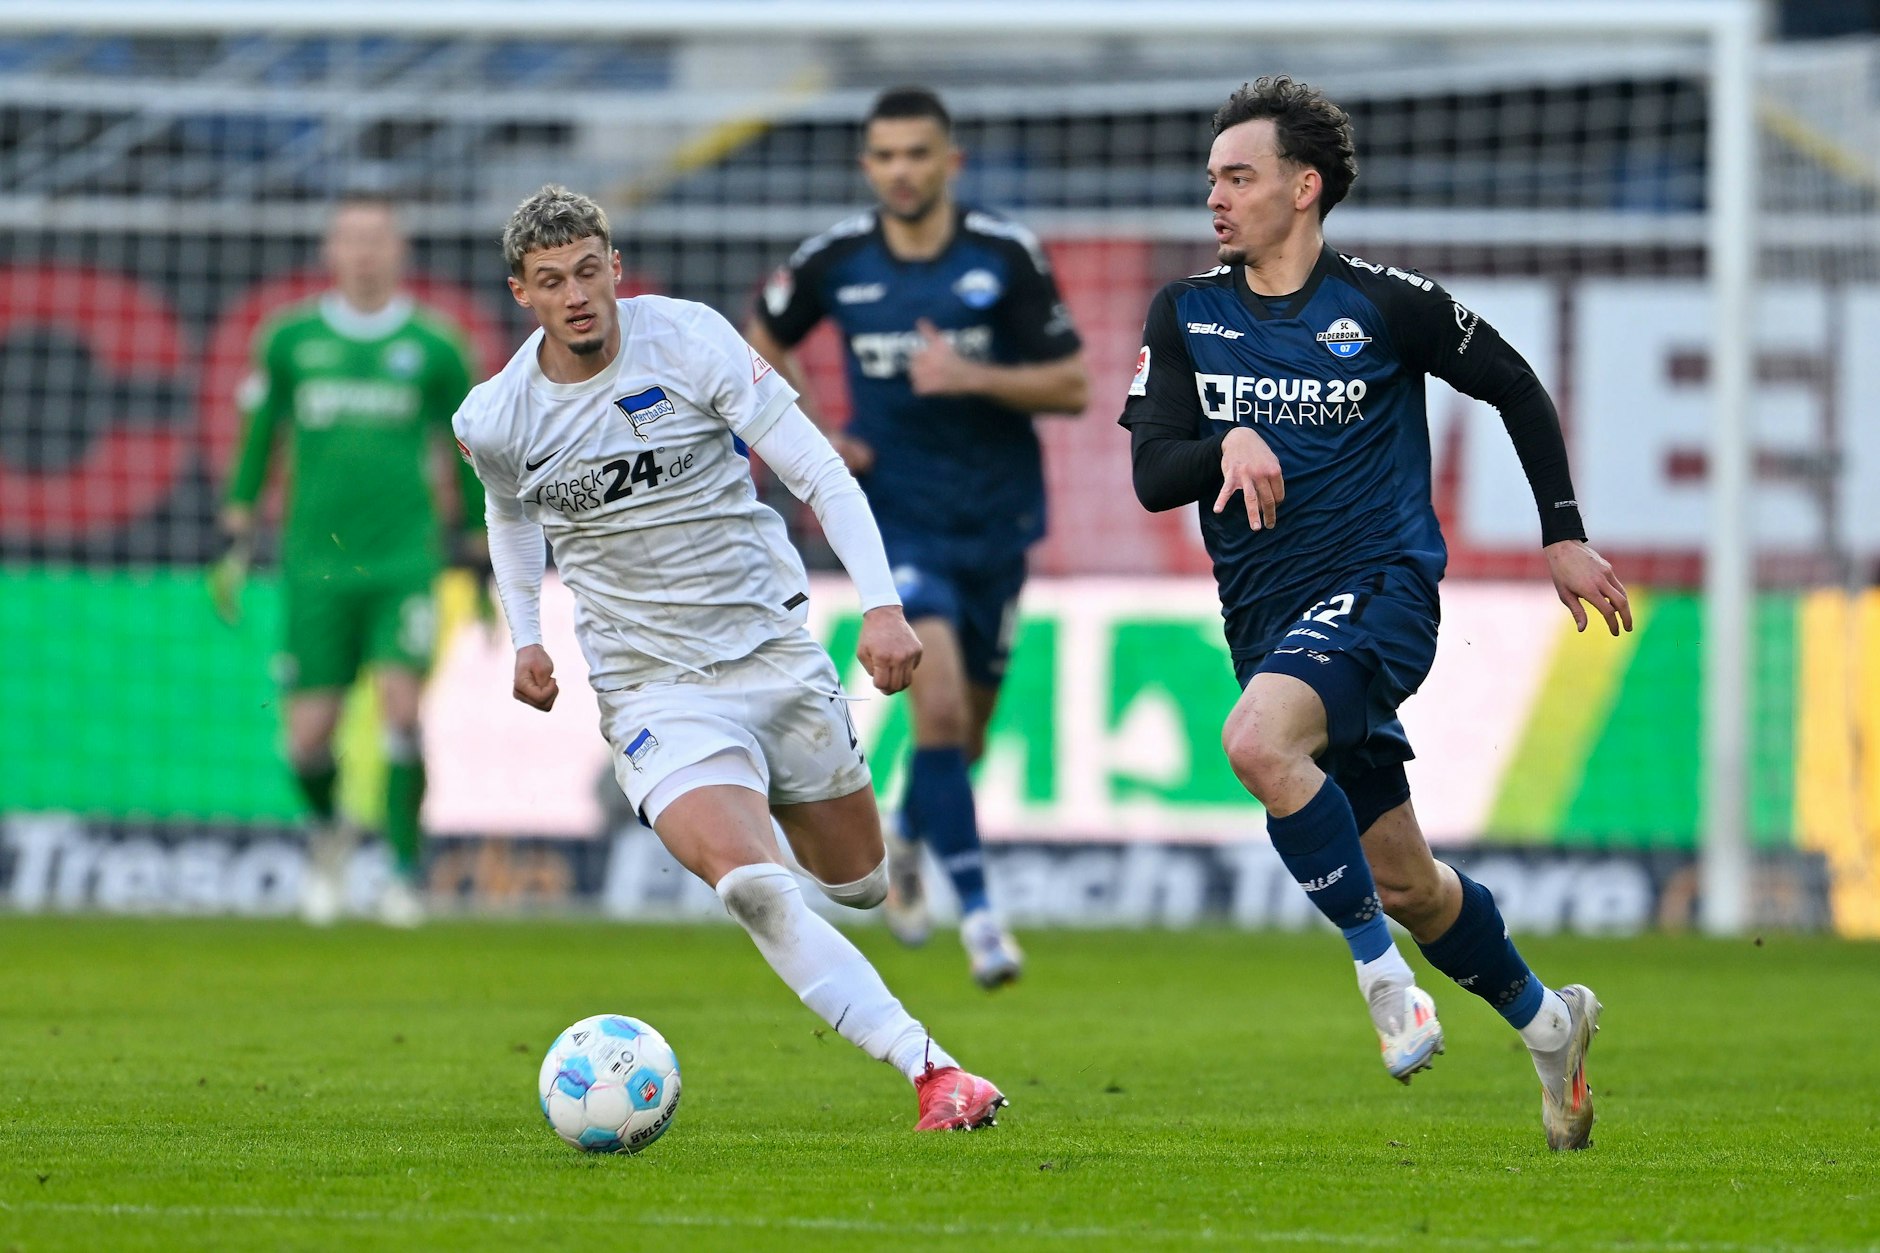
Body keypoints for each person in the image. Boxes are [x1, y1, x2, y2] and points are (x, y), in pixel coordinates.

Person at [1119, 76, 1633, 1151]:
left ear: (1302, 189)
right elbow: (1153, 474)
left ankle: (1380, 982)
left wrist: (1561, 529)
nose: (1213, 195)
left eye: (1237, 175)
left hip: (1381, 591)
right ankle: (1549, 1024)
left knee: (1256, 742)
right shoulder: (1183, 313)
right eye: (1210, 176)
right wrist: (1225, 442)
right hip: (1266, 622)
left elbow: (1514, 383)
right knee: (1405, 876)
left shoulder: (1383, 304)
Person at [455, 185, 1005, 1131]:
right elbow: (509, 516)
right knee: (754, 886)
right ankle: (932, 1069)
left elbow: (817, 468)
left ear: (615, 268)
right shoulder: (496, 417)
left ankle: (848, 844)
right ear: (522, 293)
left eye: (590, 270)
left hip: (772, 653)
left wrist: (881, 606)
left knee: (860, 886)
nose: (577, 294)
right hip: (653, 687)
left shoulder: (691, 340)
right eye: (552, 281)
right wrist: (528, 637)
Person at [745, 86, 1088, 988]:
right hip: (895, 518)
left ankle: (914, 830)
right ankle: (981, 921)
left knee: (964, 740)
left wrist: (969, 374)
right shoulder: (837, 259)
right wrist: (817, 438)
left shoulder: (1004, 255)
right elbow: (761, 340)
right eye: (885, 155)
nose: (901, 170)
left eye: (917, 154)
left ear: (949, 163)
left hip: (998, 517)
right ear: (869, 166)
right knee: (934, 710)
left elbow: (1074, 385)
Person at [215, 192, 484, 928]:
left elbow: (464, 448)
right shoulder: (290, 339)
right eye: (350, 239)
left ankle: (402, 871)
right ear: (330, 252)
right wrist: (239, 519)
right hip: (315, 563)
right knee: (307, 735)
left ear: (400, 250)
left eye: (377, 238)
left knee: (402, 710)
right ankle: (329, 836)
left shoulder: (434, 345)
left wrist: (481, 536)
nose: (364, 252)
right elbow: (259, 432)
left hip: (404, 558)